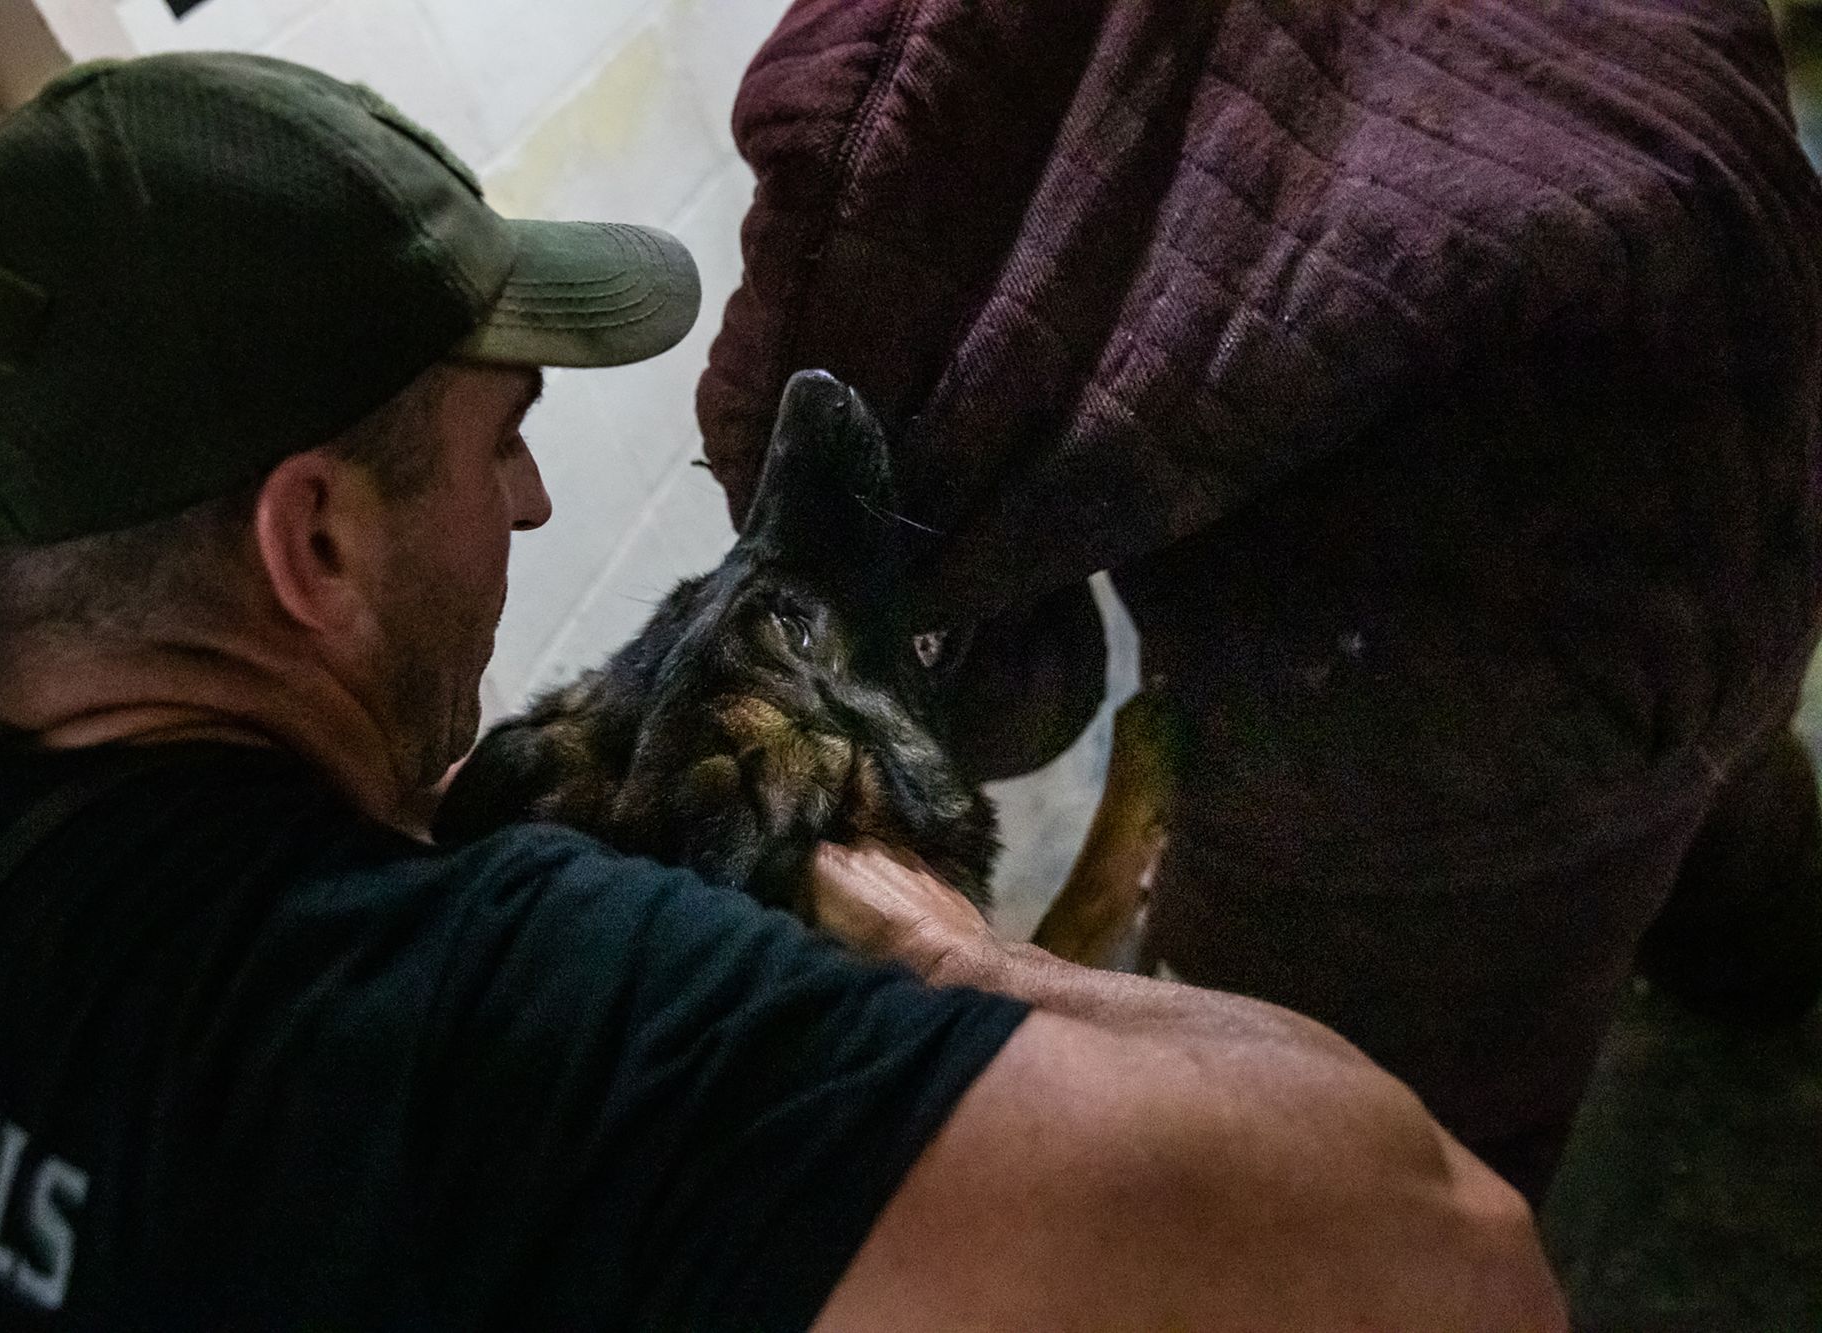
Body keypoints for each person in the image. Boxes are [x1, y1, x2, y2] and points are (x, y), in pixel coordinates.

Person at [0, 53, 1562, 1330]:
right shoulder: (491, 1035)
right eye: (495, 445)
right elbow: (1447, 1254)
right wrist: (922, 938)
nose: (532, 504)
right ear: (319, 545)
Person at [696, 0, 1822, 1206]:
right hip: (1753, 463)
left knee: (1360, 1174)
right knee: (1717, 804)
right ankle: (1771, 974)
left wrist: (1006, 662)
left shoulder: (886, 94)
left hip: (1437, 701)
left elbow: (899, 598)